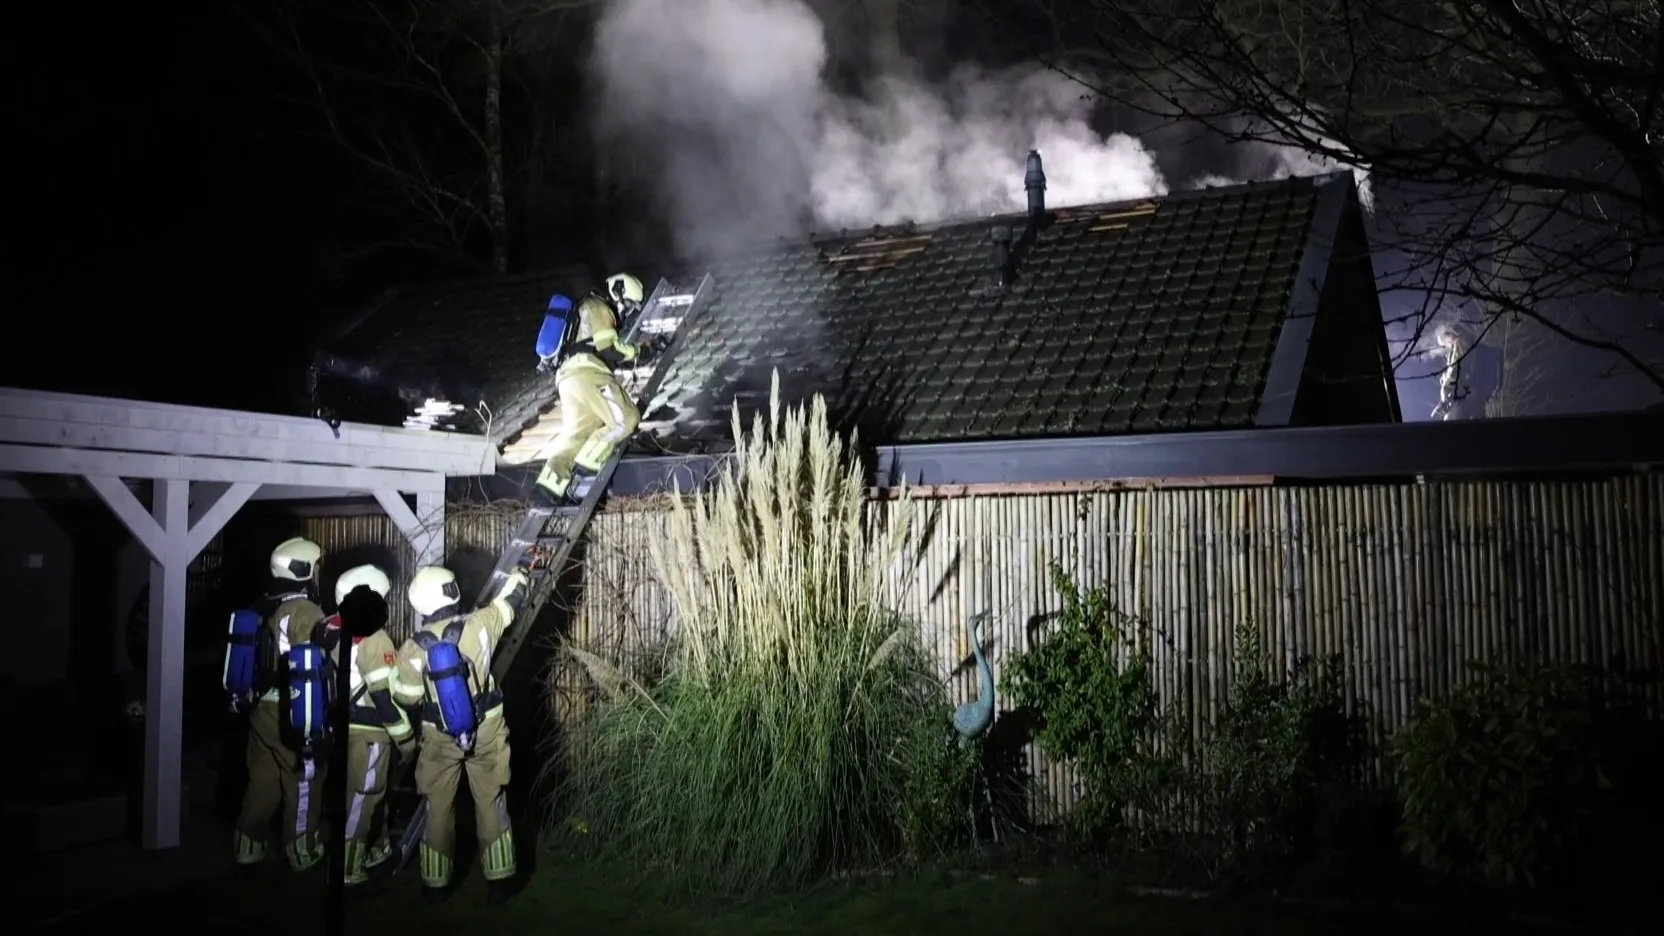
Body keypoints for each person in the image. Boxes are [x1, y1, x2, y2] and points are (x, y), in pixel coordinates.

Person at [390, 564, 530, 902]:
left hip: (438, 737)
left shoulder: (411, 648)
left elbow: (404, 696)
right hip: (487, 729)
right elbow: (511, 601)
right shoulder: (479, 624)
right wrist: (522, 572)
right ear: (451, 592)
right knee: (490, 800)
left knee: (437, 806)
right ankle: (499, 881)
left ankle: (435, 884)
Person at [232, 536, 330, 872]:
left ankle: (248, 844)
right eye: (316, 566)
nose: (319, 572)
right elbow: (313, 665)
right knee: (304, 778)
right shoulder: (306, 611)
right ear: (305, 569)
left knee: (263, 778)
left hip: (260, 708)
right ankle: (303, 850)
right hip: (292, 710)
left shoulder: (264, 604)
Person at [532, 272, 659, 506]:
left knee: (577, 433)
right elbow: (609, 349)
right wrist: (643, 351)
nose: (629, 311)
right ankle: (586, 467)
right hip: (589, 373)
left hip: (568, 379)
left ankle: (548, 488)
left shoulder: (585, 308)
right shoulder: (598, 307)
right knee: (626, 419)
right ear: (619, 294)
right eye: (629, 304)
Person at [324, 564, 415, 887]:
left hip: (341, 728)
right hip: (371, 734)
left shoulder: (328, 628)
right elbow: (383, 700)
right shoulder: (377, 640)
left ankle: (377, 847)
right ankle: (349, 867)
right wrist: (406, 741)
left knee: (362, 796)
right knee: (364, 798)